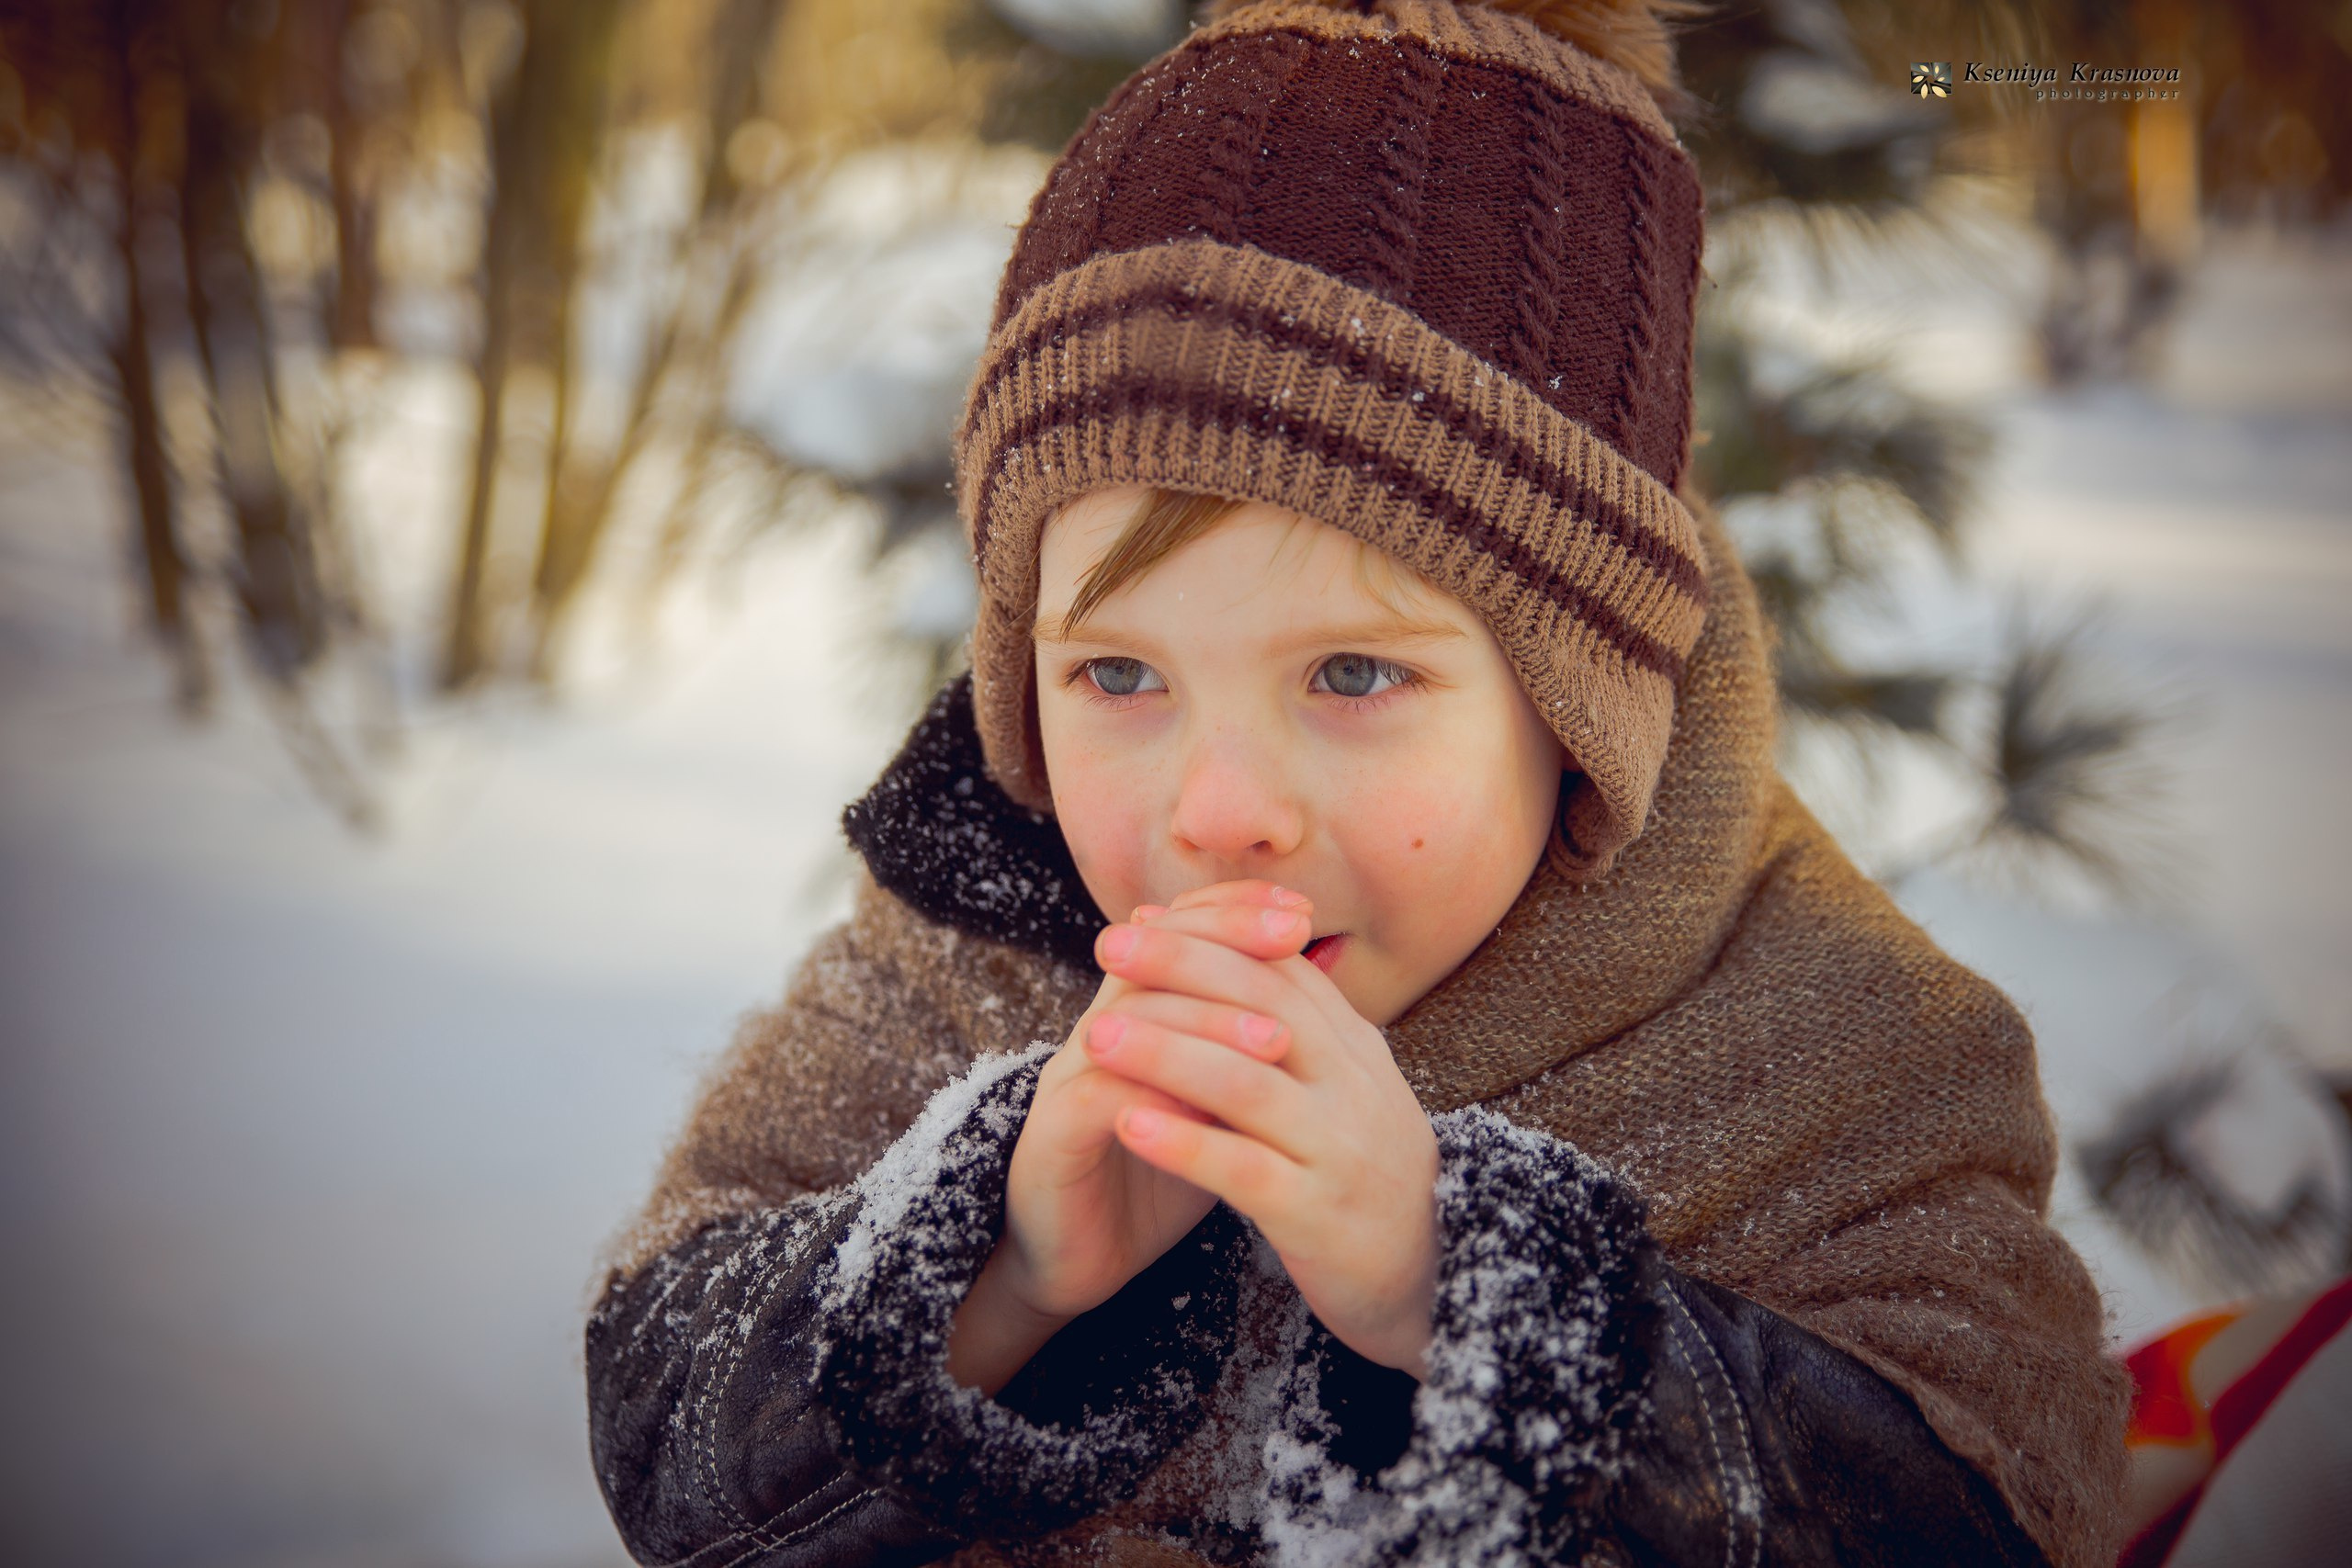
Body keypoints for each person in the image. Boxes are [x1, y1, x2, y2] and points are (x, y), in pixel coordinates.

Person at [582, 3, 2132, 1564]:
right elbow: (664, 1422)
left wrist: (1471, 1297)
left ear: (1571, 698)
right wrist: (998, 1272)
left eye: (1354, 675)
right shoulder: (962, 960)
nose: (1220, 807)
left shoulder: (1839, 1053)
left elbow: (1992, 1507)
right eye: (1118, 677)